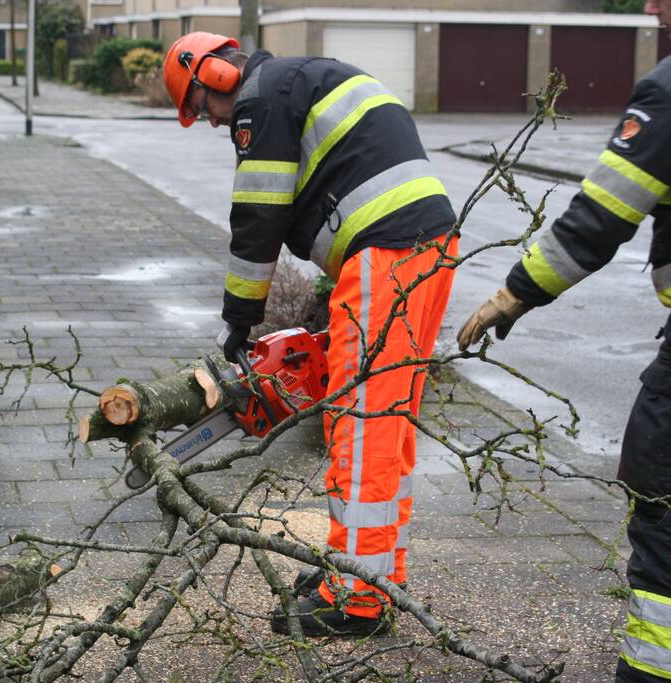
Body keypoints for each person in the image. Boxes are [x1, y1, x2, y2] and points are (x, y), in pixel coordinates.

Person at [455, 0, 671, 681]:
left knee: (669, 490)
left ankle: (657, 671)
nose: (652, 6)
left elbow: (601, 214)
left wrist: (516, 291)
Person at [162, 32, 459, 636]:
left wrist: (240, 321)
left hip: (387, 254)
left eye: (204, 108)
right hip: (422, 251)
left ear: (215, 73)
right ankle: (375, 570)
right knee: (387, 420)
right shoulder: (299, 79)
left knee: (358, 422)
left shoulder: (259, 98)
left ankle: (355, 598)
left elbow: (258, 216)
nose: (216, 124)